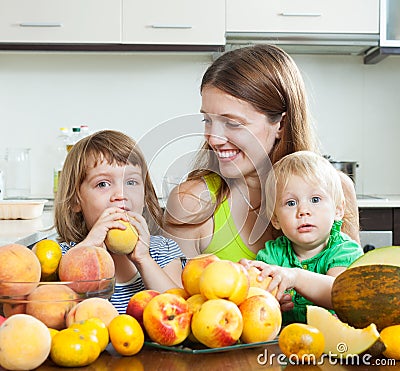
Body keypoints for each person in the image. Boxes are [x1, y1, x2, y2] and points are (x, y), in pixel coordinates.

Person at [164, 44, 360, 263]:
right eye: (208, 120)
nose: (214, 138)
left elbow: (350, 290)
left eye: (232, 123)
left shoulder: (337, 191)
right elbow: (171, 296)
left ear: (281, 124)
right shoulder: (191, 203)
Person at [54, 130, 185, 314]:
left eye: (131, 182)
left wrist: (144, 259)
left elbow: (179, 311)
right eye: (103, 184)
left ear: (145, 195)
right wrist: (89, 249)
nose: (120, 195)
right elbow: (60, 311)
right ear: (75, 200)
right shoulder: (65, 257)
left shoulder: (162, 251)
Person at [240, 151, 363, 325]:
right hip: (285, 343)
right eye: (291, 203)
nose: (303, 210)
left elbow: (340, 294)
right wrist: (272, 298)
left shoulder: (344, 250)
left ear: (338, 210)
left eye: (315, 199)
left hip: (333, 343)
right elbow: (258, 298)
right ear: (275, 219)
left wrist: (295, 277)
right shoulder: (272, 254)